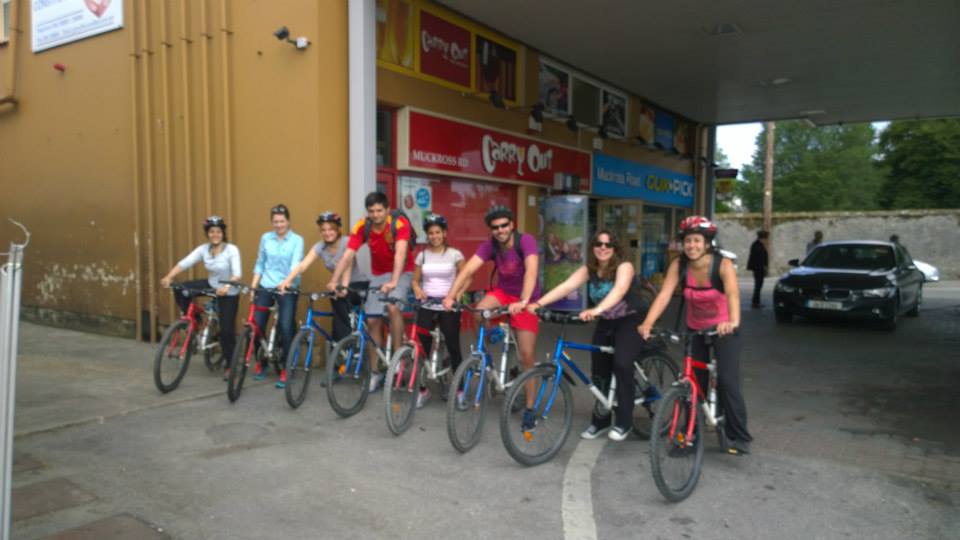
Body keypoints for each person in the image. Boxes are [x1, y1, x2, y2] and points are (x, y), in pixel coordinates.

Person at [637, 216, 753, 455]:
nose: (691, 246)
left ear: (707, 242)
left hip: (724, 327)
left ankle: (738, 435)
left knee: (728, 381)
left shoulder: (722, 264)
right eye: (688, 241)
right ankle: (690, 436)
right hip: (695, 327)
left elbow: (732, 295)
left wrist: (732, 322)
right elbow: (664, 295)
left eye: (697, 241)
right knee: (692, 384)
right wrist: (647, 323)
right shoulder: (679, 265)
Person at [527, 230, 653, 441]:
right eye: (598, 243)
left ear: (615, 249)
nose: (603, 248)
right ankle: (601, 420)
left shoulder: (624, 266)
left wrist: (596, 310)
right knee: (600, 371)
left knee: (622, 364)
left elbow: (620, 291)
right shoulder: (590, 269)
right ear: (592, 247)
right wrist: (539, 304)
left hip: (630, 320)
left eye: (608, 244)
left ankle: (624, 421)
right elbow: (566, 285)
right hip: (607, 320)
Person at [443, 205, 540, 430]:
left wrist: (524, 301)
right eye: (495, 227)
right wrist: (450, 296)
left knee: (526, 357)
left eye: (504, 225)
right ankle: (483, 354)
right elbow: (467, 271)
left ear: (512, 225)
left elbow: (532, 272)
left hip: (525, 299)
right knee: (479, 311)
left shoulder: (525, 241)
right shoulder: (490, 245)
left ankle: (530, 407)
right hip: (503, 294)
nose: (500, 230)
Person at [328, 192, 415, 392]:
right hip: (378, 274)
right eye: (371, 211)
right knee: (373, 320)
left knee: (393, 307)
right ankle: (375, 371)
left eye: (379, 210)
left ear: (387, 209)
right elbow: (348, 254)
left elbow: (401, 253)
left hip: (402, 272)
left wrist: (394, 280)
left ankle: (397, 359)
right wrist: (334, 280)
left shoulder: (399, 223)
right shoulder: (363, 225)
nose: (375, 215)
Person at [278, 211, 368, 386]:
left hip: (358, 285)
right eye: (324, 229)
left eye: (331, 229)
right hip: (338, 286)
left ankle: (348, 346)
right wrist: (286, 281)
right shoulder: (320, 246)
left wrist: (343, 285)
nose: (327, 232)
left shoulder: (347, 242)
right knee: (337, 320)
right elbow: (303, 264)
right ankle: (338, 361)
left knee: (340, 315)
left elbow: (347, 266)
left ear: (338, 230)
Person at [160, 216, 242, 373]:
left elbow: (237, 274)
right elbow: (185, 262)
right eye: (211, 232)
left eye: (218, 231)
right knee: (180, 288)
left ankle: (230, 365)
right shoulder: (204, 249)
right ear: (208, 234)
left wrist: (226, 286)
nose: (215, 234)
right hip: (211, 284)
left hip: (229, 291)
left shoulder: (232, 250)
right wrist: (169, 276)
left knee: (226, 330)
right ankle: (194, 321)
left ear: (223, 233)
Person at [410, 213, 465, 408]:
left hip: (448, 305)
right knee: (421, 348)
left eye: (438, 232)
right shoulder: (422, 255)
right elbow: (415, 280)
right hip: (427, 304)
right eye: (431, 233)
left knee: (453, 346)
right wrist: (417, 289)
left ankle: (460, 389)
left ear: (444, 233)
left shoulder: (454, 254)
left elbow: (466, 277)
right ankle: (423, 390)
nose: (434, 236)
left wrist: (458, 293)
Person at [251, 204, 304, 388]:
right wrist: (253, 287)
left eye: (282, 221)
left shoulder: (297, 240)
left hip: (288, 287)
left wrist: (286, 283)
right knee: (257, 323)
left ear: (288, 221)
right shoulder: (266, 238)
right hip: (266, 284)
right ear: (271, 222)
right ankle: (261, 362)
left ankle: (286, 368)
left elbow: (296, 264)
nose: (279, 225)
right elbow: (260, 263)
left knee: (286, 325)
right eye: (275, 221)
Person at [746, 230, 769, 309]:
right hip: (758, 269)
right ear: (762, 238)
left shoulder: (758, 245)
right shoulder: (757, 246)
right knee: (758, 286)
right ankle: (755, 303)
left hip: (758, 269)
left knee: (758, 286)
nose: (766, 240)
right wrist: (764, 267)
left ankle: (756, 302)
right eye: (765, 238)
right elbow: (759, 259)